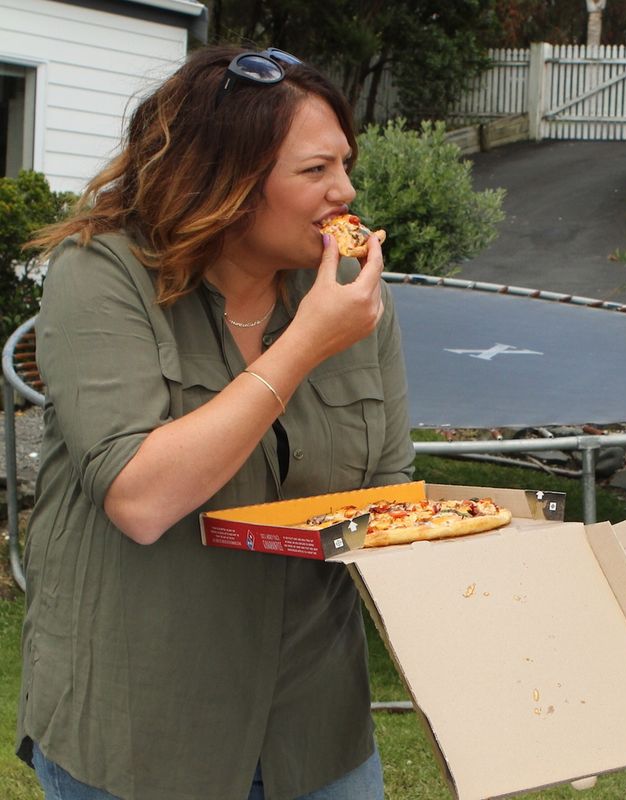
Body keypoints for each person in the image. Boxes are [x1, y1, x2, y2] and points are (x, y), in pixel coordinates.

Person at [16, 45, 414, 799]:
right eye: (315, 170)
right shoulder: (100, 274)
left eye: (345, 164)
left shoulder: (351, 295)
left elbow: (386, 501)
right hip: (140, 730)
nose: (347, 190)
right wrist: (304, 346)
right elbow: (140, 499)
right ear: (224, 179)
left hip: (315, 729)